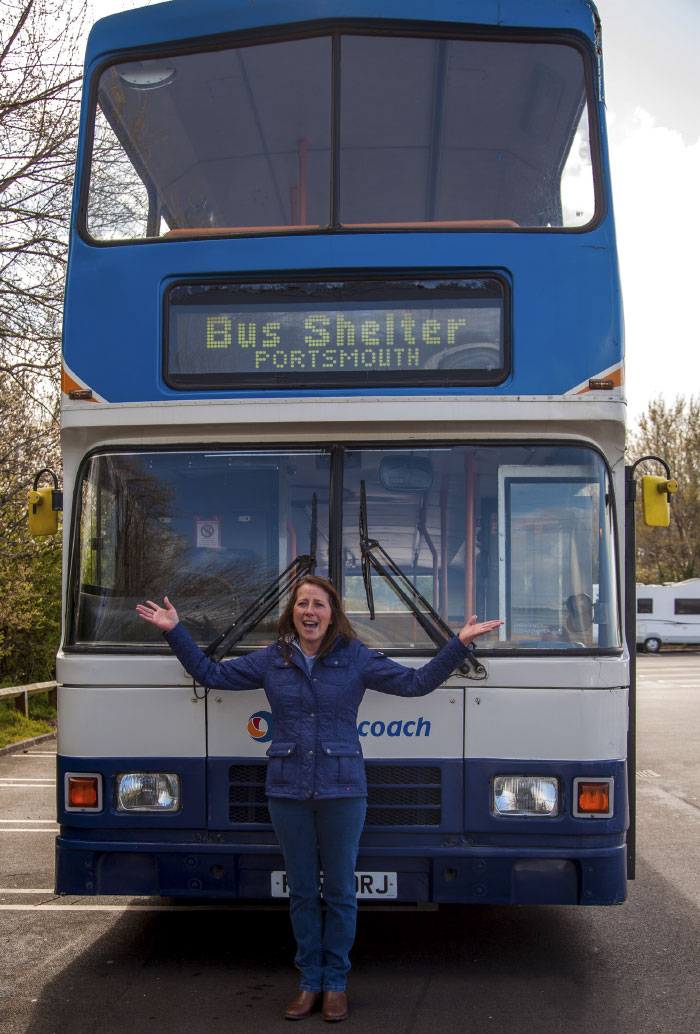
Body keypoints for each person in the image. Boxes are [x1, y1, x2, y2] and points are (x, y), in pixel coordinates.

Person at [137, 575, 501, 1022]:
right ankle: (309, 980)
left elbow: (415, 683)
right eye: (302, 603)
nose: (309, 611)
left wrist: (458, 644)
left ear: (332, 615)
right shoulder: (273, 659)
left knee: (342, 891)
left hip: (343, 791)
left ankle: (336, 984)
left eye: (319, 605)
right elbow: (211, 674)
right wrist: (175, 630)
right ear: (293, 612)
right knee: (303, 891)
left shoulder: (356, 657)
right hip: (287, 790)